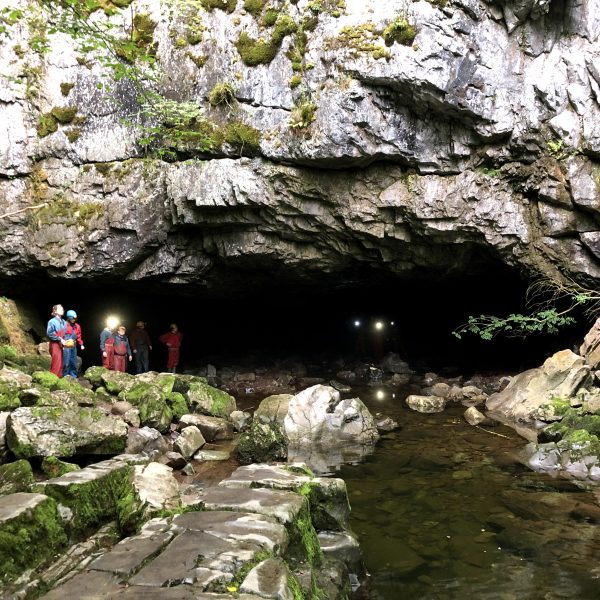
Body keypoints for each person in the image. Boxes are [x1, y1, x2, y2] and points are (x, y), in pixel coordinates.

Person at [63, 309, 84, 378]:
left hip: (73, 345)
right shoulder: (64, 324)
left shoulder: (77, 326)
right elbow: (60, 335)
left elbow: (78, 335)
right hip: (66, 345)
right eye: (72, 318)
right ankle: (65, 376)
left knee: (73, 361)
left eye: (75, 318)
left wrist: (81, 344)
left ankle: (73, 376)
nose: (74, 320)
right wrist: (62, 343)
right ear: (68, 317)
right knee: (66, 361)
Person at [47, 304, 67, 377]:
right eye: (60, 308)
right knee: (56, 363)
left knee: (62, 363)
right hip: (55, 344)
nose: (62, 309)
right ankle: (52, 380)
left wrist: (66, 341)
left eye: (62, 308)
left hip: (62, 345)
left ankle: (58, 381)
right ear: (55, 311)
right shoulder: (52, 321)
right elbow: (50, 333)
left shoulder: (64, 322)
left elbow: (65, 333)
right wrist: (59, 339)